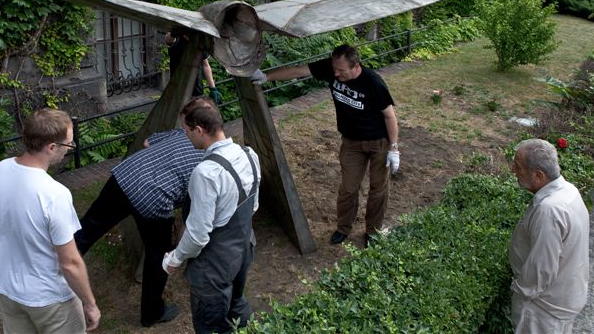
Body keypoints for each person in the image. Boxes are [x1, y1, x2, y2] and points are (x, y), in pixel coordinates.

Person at [251, 44, 399, 246]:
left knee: (378, 189)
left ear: (356, 66)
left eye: (341, 71)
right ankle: (343, 228)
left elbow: (390, 117)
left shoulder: (373, 83)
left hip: (378, 142)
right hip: (351, 142)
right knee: (348, 188)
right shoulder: (332, 68)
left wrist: (393, 148)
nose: (336, 74)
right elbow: (299, 70)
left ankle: (372, 232)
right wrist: (267, 77)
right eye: (334, 69)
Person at [73, 128, 203, 327]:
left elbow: (148, 143)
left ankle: (51, 270)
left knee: (88, 229)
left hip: (126, 175)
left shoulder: (183, 132)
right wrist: (178, 251)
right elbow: (190, 219)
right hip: (154, 197)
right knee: (158, 254)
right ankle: (152, 312)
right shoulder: (210, 166)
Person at [0, 108, 100, 333]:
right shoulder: (53, 194)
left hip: (8, 290)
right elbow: (69, 262)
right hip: (50, 299)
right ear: (51, 147)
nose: (69, 150)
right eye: (68, 145)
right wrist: (90, 303)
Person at [162, 97, 261, 334]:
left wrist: (174, 258)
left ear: (199, 130)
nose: (185, 136)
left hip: (215, 266)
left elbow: (197, 236)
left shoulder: (206, 173)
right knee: (237, 304)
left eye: (186, 131)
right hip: (244, 248)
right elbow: (253, 206)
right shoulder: (249, 154)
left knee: (211, 325)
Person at [509, 138, 589, 333]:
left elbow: (541, 269)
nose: (514, 171)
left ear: (538, 175)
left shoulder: (549, 210)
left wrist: (520, 292)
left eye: (518, 167)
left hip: (542, 311)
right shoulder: (569, 190)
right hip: (560, 300)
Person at [166, 31, 222, 103]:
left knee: (196, 111)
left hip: (196, 90)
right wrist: (174, 32)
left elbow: (206, 65)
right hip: (178, 88)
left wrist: (213, 88)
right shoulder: (177, 40)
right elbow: (168, 39)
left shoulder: (199, 42)